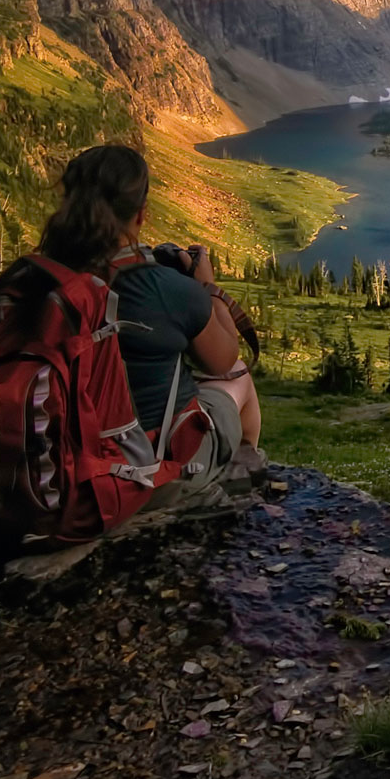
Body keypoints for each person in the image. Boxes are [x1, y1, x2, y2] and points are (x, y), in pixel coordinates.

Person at [37, 143, 264, 507]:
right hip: (140, 475)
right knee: (238, 376)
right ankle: (242, 474)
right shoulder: (161, 288)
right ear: (140, 215)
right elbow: (223, 359)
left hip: (51, 468)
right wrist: (207, 288)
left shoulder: (39, 276)